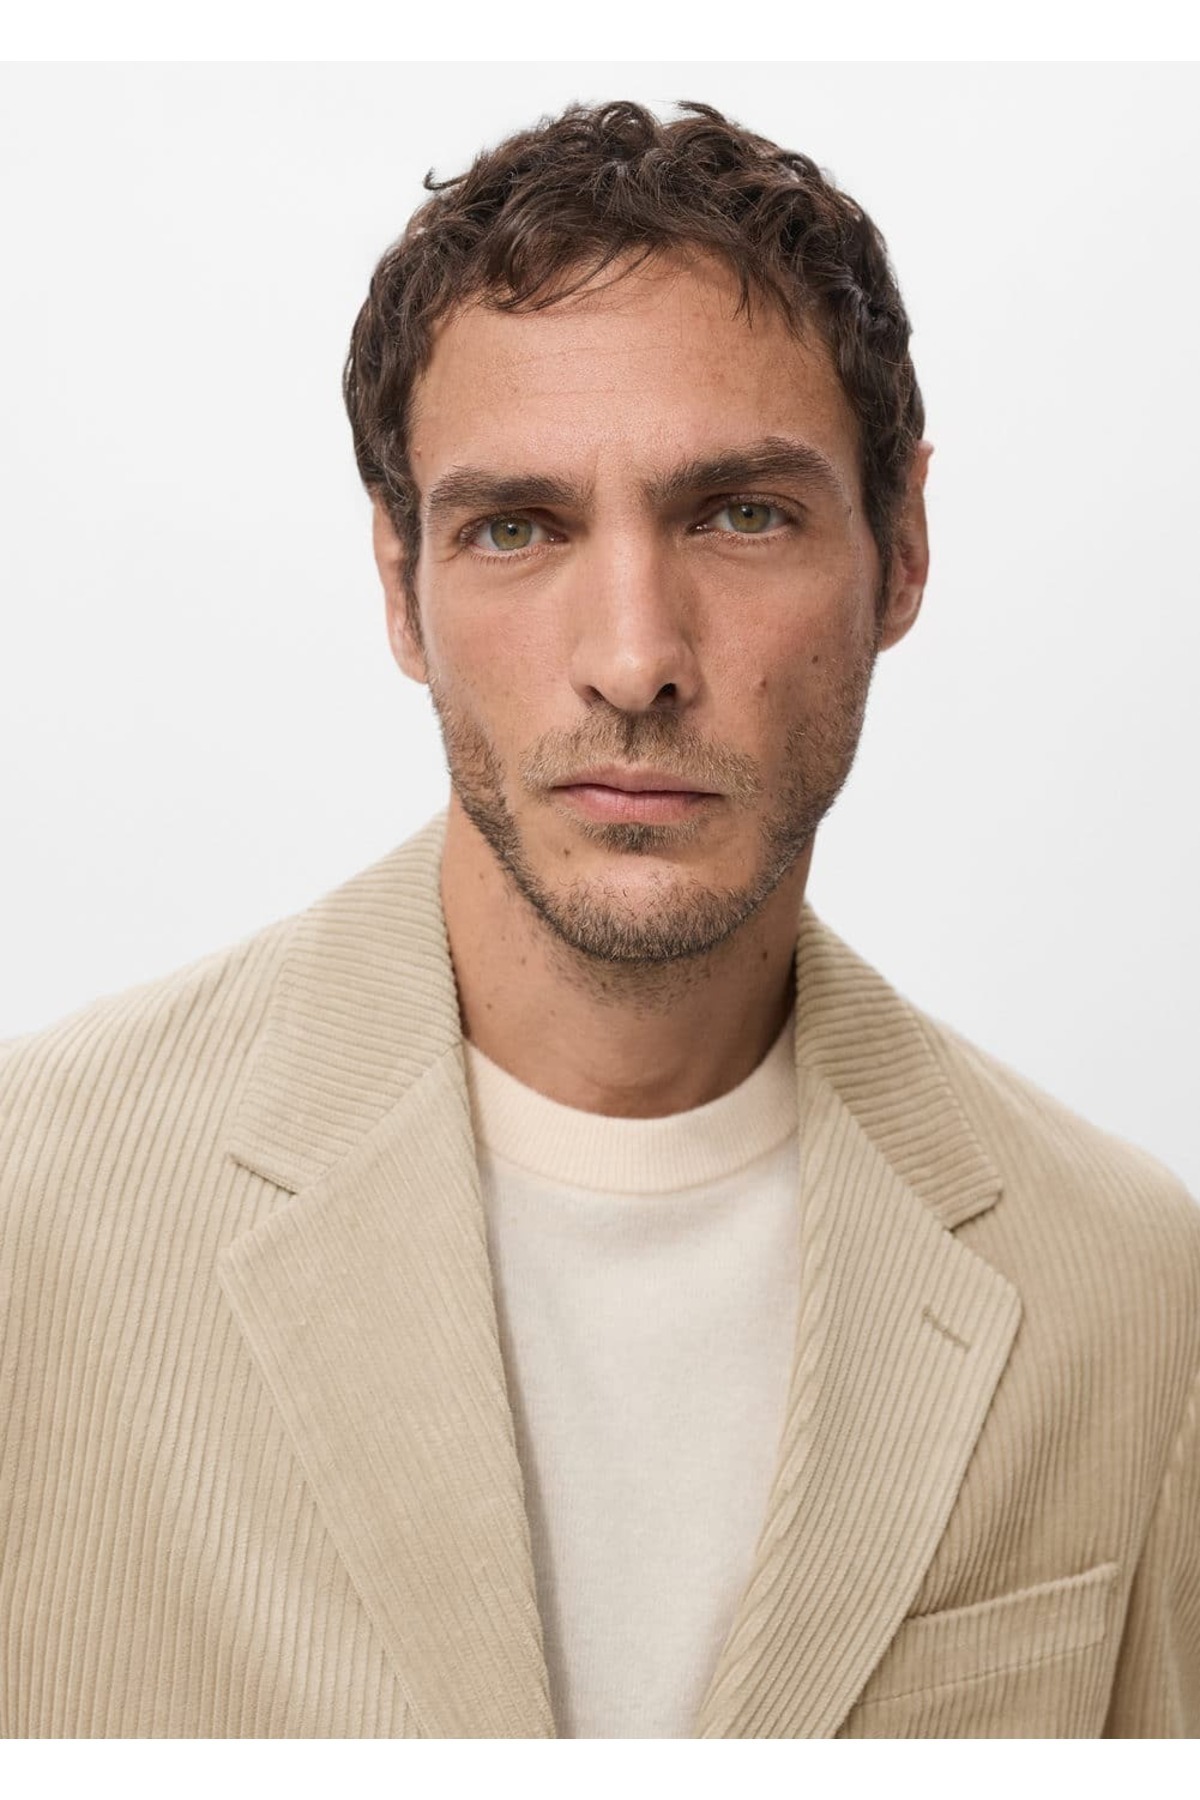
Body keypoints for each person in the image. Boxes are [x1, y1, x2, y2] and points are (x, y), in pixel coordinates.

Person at [1, 99, 1197, 1742]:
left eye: (741, 514)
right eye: (518, 528)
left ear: (903, 549)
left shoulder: (1132, 1291)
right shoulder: (33, 1212)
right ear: (400, 586)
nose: (634, 659)